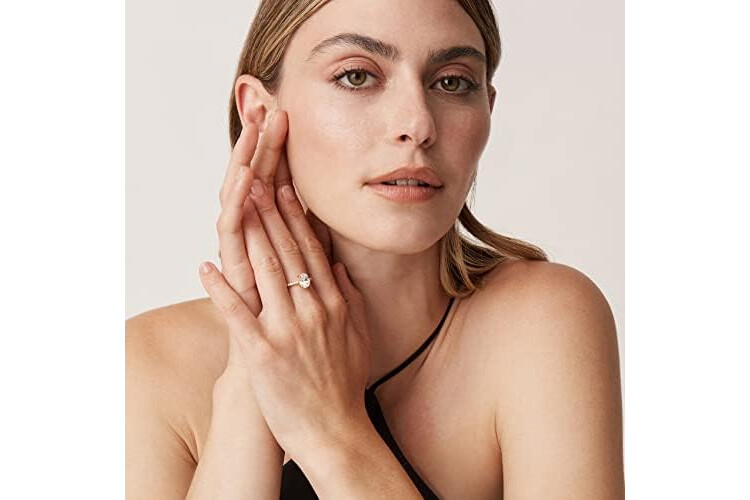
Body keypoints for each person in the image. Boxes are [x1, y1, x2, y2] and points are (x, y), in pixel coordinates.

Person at [125, 0, 624, 498]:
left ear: (487, 109)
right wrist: (249, 378)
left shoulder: (542, 321)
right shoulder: (148, 364)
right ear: (260, 112)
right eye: (357, 77)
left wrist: (331, 429)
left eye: (452, 82)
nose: (418, 124)